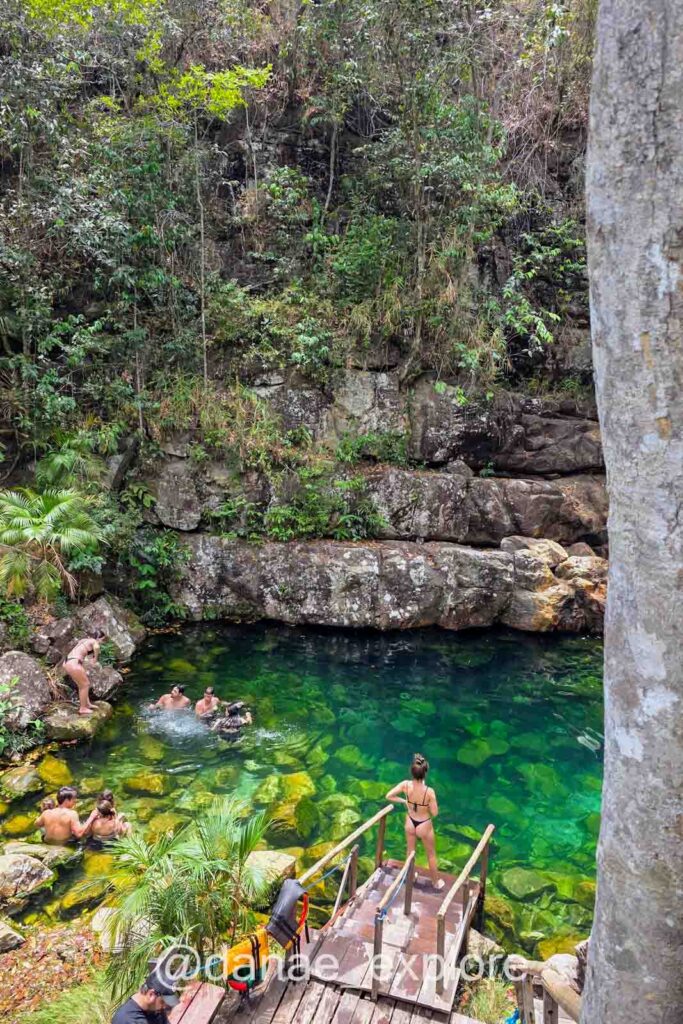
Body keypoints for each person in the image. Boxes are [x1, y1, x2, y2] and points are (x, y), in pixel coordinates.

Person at [386, 753, 444, 890]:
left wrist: (403, 801)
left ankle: (410, 876)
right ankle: (436, 882)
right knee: (431, 854)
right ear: (425, 773)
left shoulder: (405, 785)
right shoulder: (429, 792)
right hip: (424, 824)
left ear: (412, 772)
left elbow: (389, 796)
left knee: (410, 851)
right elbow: (435, 813)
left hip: (410, 822)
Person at [111, 971, 179, 1024]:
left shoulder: (155, 1009)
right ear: (151, 994)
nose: (165, 1006)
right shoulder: (127, 1020)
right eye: (163, 1001)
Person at [63, 630, 105, 715]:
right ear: (99, 638)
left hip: (68, 662)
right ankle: (83, 708)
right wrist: (95, 658)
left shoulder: (84, 640)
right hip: (74, 663)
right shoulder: (94, 641)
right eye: (103, 640)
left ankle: (87, 704)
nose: (102, 642)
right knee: (85, 685)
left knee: (82, 685)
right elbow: (96, 647)